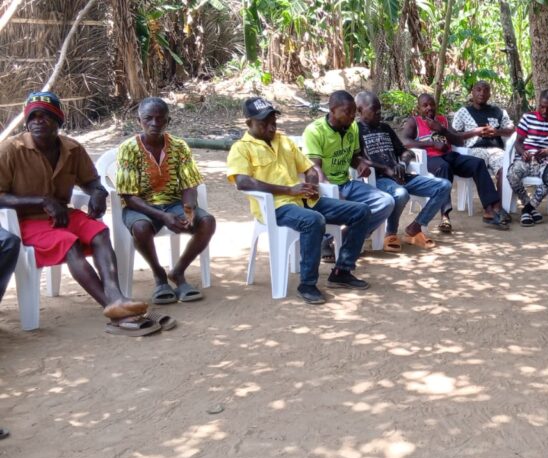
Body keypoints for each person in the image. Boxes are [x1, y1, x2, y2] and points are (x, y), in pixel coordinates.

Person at [0, 91, 158, 336]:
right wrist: (42, 201)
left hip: (63, 214)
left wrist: (98, 194)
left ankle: (115, 295)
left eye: (46, 116)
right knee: (69, 243)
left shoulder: (72, 148)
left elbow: (91, 181)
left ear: (58, 121)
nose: (38, 121)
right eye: (33, 116)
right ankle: (113, 309)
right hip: (26, 220)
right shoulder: (11, 149)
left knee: (99, 232)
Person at [227, 97, 373, 304]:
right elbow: (243, 182)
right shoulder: (241, 148)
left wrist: (312, 186)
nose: (271, 127)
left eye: (273, 122)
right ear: (249, 123)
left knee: (361, 211)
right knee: (313, 220)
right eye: (264, 123)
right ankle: (307, 284)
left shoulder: (284, 141)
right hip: (276, 207)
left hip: (304, 201)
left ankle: (342, 271)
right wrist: (288, 189)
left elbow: (310, 169)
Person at [115, 97, 216, 304]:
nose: (155, 123)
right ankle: (159, 276)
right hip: (140, 206)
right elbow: (129, 196)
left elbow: (189, 184)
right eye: (148, 118)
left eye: (160, 119)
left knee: (207, 222)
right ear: (139, 121)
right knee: (141, 228)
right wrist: (163, 216)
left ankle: (178, 272)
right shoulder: (128, 149)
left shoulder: (179, 146)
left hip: (173, 203)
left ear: (168, 121)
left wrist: (188, 210)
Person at [355, 91, 452, 251]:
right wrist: (386, 169)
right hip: (378, 179)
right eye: (374, 109)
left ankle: (416, 226)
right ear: (360, 110)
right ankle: (390, 233)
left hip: (401, 175)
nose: (379, 112)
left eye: (380, 109)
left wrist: (403, 164)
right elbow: (357, 159)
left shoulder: (385, 128)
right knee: (401, 194)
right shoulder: (355, 131)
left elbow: (405, 151)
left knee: (444, 186)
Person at [401, 93, 511, 231]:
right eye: (425, 105)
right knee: (444, 167)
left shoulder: (442, 119)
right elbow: (405, 141)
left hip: (449, 155)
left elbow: (458, 141)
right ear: (419, 108)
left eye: (432, 104)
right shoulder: (414, 121)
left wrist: (442, 130)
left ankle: (489, 210)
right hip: (430, 158)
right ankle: (445, 216)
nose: (429, 107)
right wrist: (432, 144)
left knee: (478, 163)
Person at [303, 90, 394, 257]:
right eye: (347, 112)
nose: (353, 116)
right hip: (325, 188)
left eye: (354, 111)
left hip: (347, 183)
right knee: (353, 209)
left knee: (386, 202)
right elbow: (315, 169)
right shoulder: (314, 131)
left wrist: (360, 164)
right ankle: (335, 240)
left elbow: (354, 157)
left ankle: (343, 239)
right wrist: (333, 191)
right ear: (332, 110)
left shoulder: (352, 128)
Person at [508, 89, 548, 226]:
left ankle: (528, 209)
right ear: (538, 103)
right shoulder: (527, 118)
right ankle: (528, 205)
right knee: (512, 174)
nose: (544, 111)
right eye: (542, 106)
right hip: (526, 159)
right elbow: (518, 142)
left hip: (545, 162)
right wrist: (523, 152)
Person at [450, 80, 516, 202]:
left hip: (496, 151)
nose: (482, 93)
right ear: (472, 92)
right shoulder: (463, 112)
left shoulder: (498, 111)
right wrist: (476, 132)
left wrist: (496, 132)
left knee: (505, 170)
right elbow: (453, 136)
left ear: (489, 94)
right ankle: (492, 205)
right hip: (473, 150)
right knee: (479, 168)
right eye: (478, 90)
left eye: (486, 90)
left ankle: (500, 205)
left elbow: (512, 129)